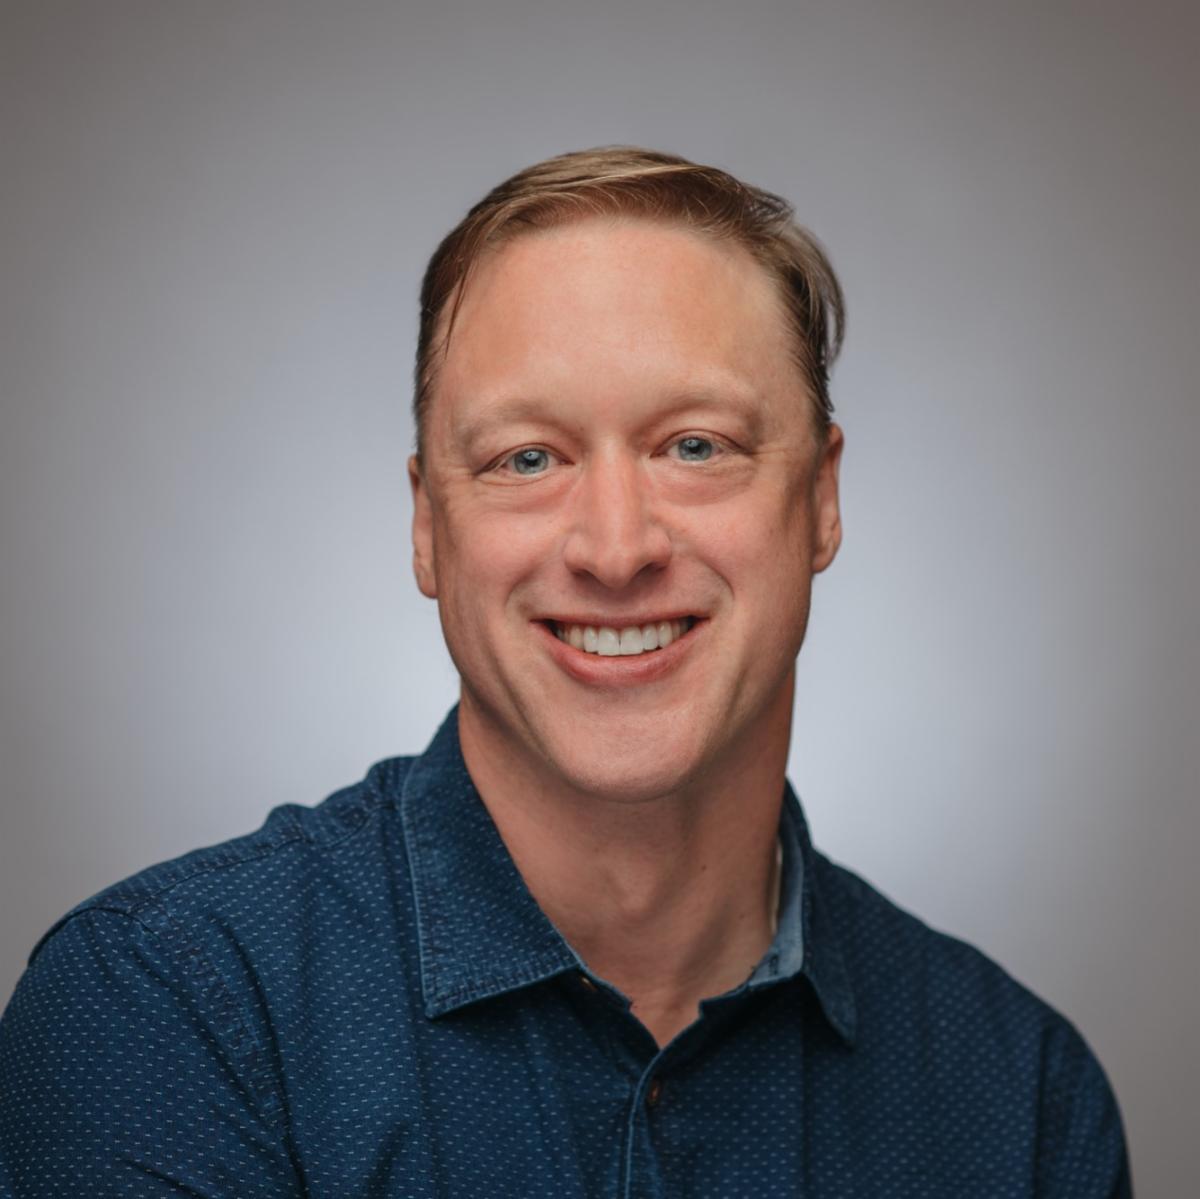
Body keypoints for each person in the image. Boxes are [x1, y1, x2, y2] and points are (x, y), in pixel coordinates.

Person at [0, 148, 1131, 1197]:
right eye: (526, 457)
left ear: (821, 499)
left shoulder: (1023, 1101)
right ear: (428, 527)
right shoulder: (167, 1012)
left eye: (696, 445)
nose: (615, 547)